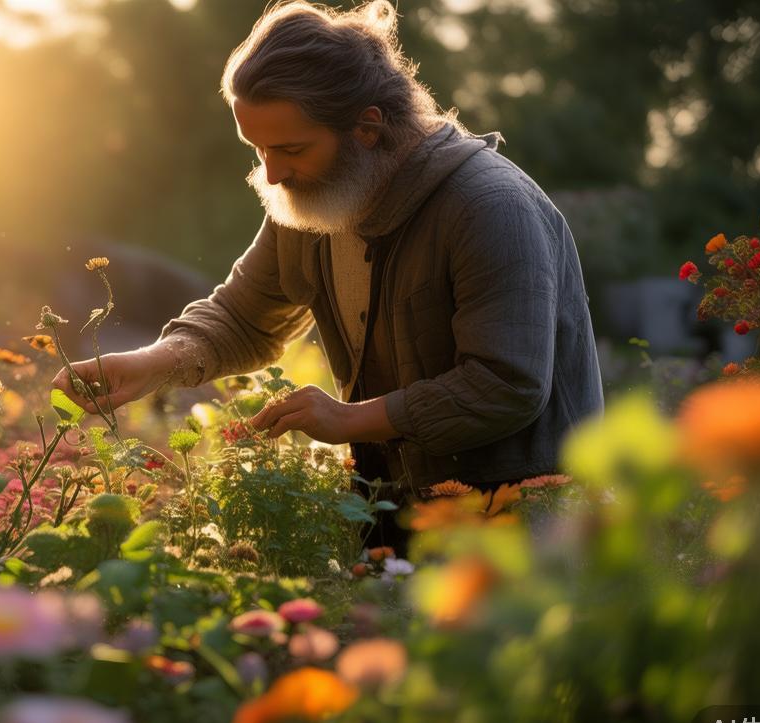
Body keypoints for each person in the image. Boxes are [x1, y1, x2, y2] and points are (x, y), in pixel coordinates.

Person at [53, 0, 604, 555]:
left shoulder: (488, 207)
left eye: (290, 148)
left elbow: (506, 384)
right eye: (259, 149)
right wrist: (150, 367)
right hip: (395, 514)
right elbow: (246, 317)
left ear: (368, 127)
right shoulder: (314, 198)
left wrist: (349, 419)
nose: (272, 173)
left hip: (519, 531)